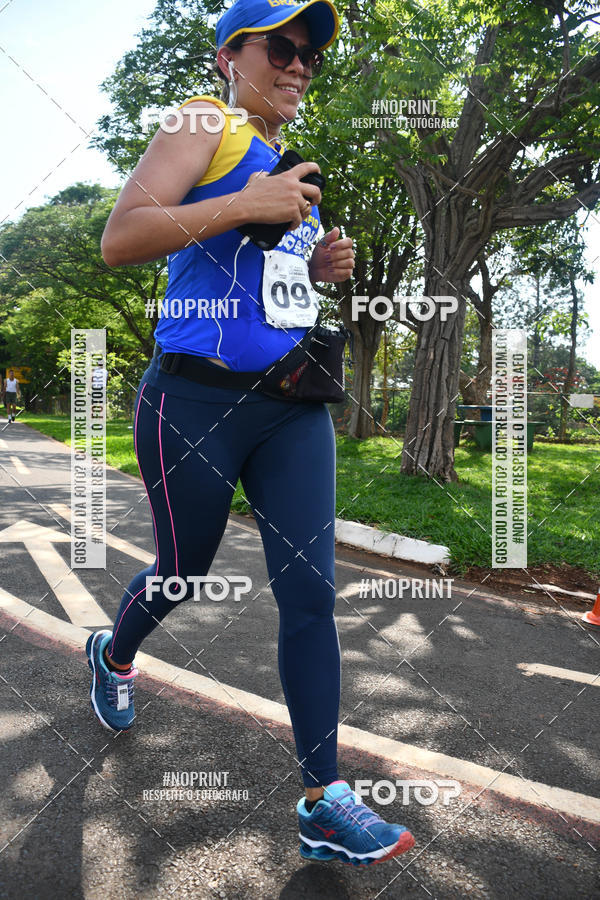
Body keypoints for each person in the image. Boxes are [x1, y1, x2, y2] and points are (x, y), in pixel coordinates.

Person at [88, 0, 415, 866]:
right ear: (230, 57)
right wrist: (244, 203)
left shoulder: (284, 162)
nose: (299, 64)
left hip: (290, 408)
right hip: (192, 403)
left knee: (311, 594)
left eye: (310, 54)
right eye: (281, 46)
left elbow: (260, 284)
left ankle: (323, 800)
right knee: (183, 571)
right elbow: (121, 239)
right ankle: (114, 655)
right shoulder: (203, 122)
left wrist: (314, 265)